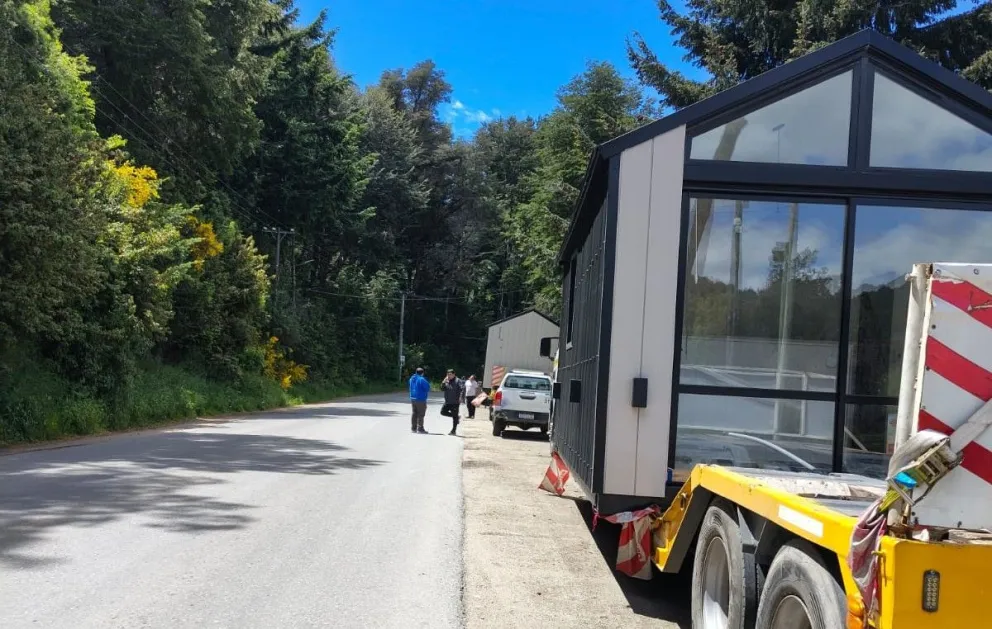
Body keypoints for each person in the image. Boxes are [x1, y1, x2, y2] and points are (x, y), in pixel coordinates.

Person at [440, 369, 464, 435]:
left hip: (455, 402)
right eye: (448, 374)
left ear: (454, 374)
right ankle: (457, 416)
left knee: (454, 418)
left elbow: (462, 389)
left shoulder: (458, 381)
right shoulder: (447, 381)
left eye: (450, 374)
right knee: (442, 412)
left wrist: (461, 397)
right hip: (447, 401)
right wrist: (443, 382)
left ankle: (453, 431)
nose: (449, 376)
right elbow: (442, 389)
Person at [409, 367, 430, 434]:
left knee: (414, 413)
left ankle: (413, 428)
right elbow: (427, 388)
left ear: (416, 372)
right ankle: (420, 428)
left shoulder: (411, 379)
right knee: (421, 414)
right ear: (422, 373)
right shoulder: (422, 379)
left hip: (413, 398)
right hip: (420, 399)